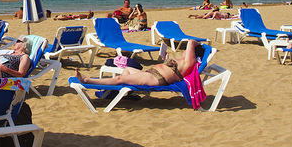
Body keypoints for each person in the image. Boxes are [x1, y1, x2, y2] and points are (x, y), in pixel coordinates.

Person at [75, 40, 203, 87]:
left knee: (120, 78)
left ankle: (88, 80)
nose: (185, 51)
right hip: (151, 73)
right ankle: (126, 90)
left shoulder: (188, 63)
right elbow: (170, 70)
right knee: (127, 69)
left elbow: (191, 42)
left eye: (187, 50)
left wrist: (198, 45)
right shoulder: (183, 62)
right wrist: (166, 59)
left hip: (156, 78)